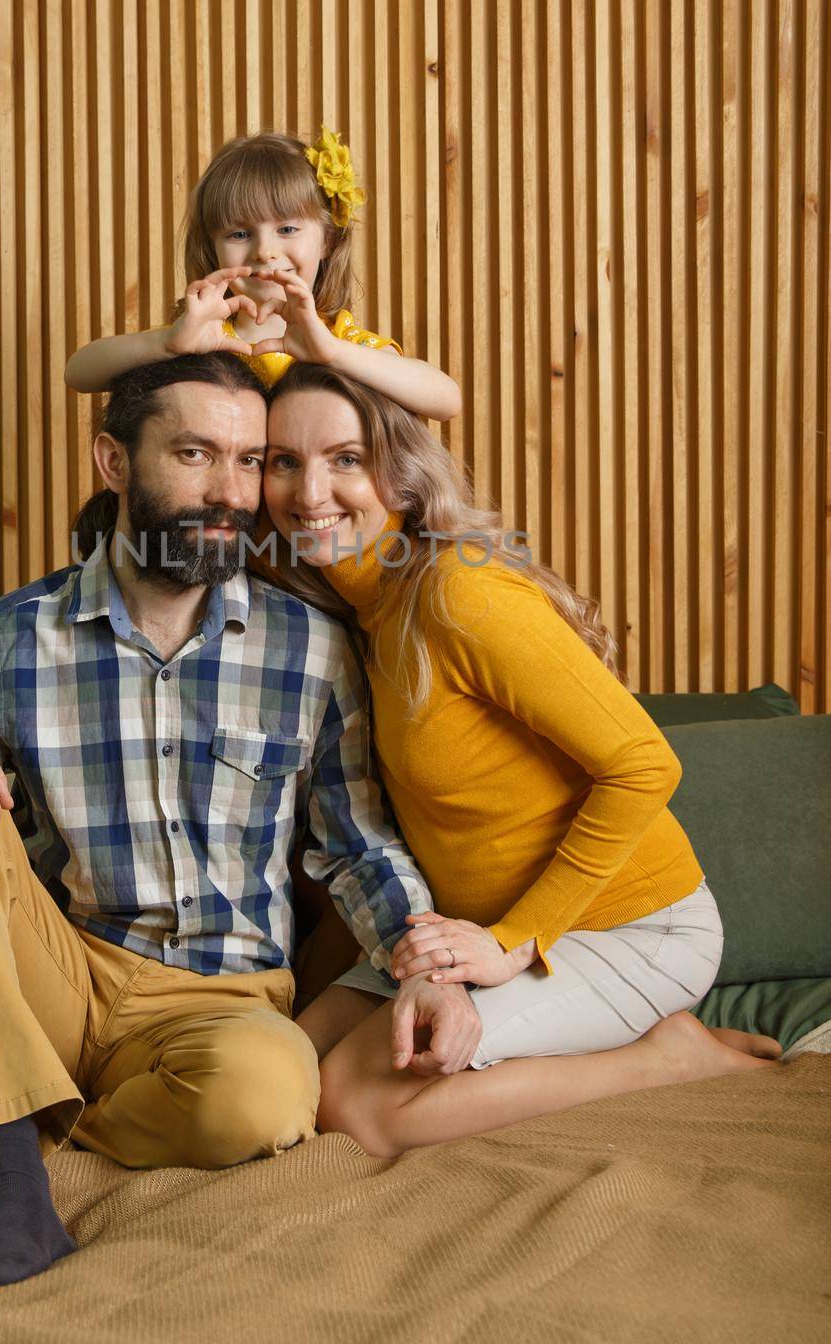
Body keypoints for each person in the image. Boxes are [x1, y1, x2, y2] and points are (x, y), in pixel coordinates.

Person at [0, 351, 455, 1292]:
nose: (229, 491)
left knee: (263, 1103)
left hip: (221, 1001)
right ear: (112, 461)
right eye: (193, 453)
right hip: (57, 971)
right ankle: (9, 1184)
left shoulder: (313, 649)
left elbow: (358, 846)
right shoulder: (14, 635)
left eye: (251, 462)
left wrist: (430, 968)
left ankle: (49, 1107)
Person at [256, 361, 782, 1157]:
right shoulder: (359, 608)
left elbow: (643, 763)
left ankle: (670, 1057)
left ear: (398, 473)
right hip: (469, 930)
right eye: (283, 462)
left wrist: (513, 944)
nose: (309, 490)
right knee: (291, 1067)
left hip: (628, 928)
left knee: (358, 1108)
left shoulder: (457, 595)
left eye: (345, 459)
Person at [64, 126, 462, 420]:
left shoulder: (336, 341)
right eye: (239, 233)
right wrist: (168, 343)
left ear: (327, 241)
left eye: (287, 229)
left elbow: (446, 400)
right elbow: (79, 371)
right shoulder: (203, 340)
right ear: (213, 249)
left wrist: (333, 352)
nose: (265, 251)